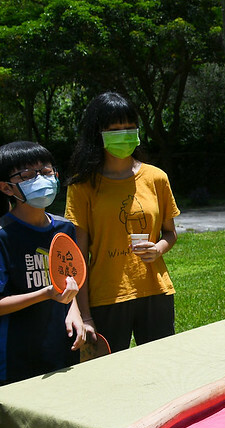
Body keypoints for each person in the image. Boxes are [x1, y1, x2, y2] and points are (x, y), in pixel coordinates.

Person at [65, 92, 180, 353]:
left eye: (129, 127)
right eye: (115, 129)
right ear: (97, 133)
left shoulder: (156, 177)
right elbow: (78, 256)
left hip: (156, 291)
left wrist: (159, 248)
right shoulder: (82, 186)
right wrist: (85, 315)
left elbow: (170, 233)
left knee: (160, 369)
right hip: (106, 296)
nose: (124, 133)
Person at [0, 141, 85, 385]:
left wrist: (75, 312)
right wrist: (47, 293)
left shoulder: (64, 228)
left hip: (61, 347)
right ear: (6, 188)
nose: (40, 179)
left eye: (46, 172)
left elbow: (71, 279)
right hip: (16, 357)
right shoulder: (3, 235)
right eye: (27, 175)